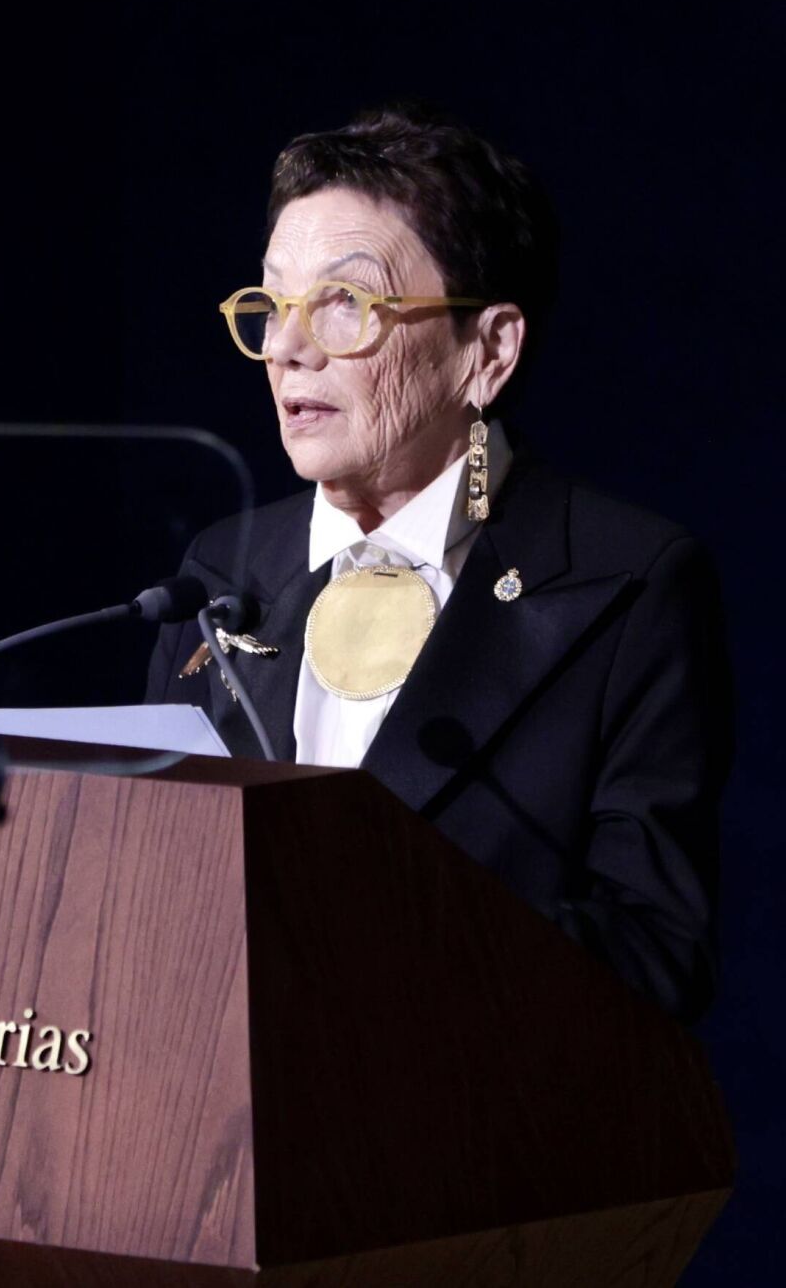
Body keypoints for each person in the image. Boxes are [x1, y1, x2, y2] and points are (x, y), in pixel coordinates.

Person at [144, 102, 734, 1024]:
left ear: (488, 351)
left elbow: (653, 957)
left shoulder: (625, 583)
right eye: (271, 303)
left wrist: (372, 936)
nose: (287, 349)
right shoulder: (217, 573)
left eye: (345, 303)